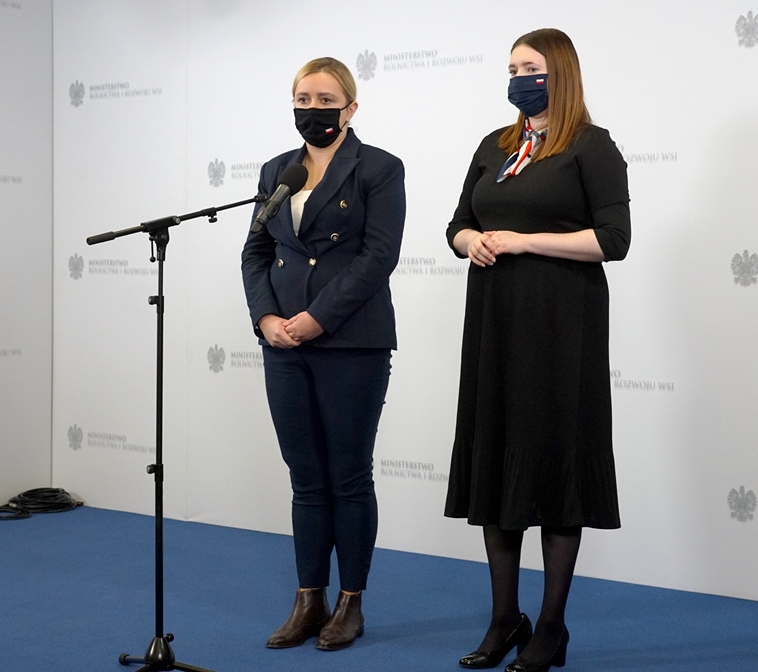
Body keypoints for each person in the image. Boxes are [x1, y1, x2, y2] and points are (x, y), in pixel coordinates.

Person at [443, 29, 630, 672]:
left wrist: (524, 241)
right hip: (494, 323)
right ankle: (505, 619)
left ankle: (550, 626)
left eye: (531, 68)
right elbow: (457, 223)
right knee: (497, 460)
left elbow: (613, 240)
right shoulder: (495, 145)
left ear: (560, 74)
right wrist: (470, 240)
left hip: (561, 328)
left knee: (554, 462)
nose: (518, 78)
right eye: (512, 67)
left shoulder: (591, 145)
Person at [240, 56, 405, 652]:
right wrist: (267, 318)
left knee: (348, 476)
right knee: (305, 478)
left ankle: (350, 603)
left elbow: (378, 256)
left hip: (350, 341)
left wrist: (316, 318)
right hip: (283, 343)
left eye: (326, 100)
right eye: (303, 99)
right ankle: (308, 599)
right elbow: (255, 252)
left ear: (350, 108)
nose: (313, 109)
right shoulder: (277, 171)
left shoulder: (379, 168)